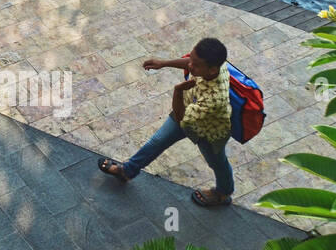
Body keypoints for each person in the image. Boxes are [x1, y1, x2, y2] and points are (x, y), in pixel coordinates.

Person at [97, 37, 234, 207]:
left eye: (196, 64)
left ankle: (223, 193)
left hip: (209, 132)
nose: (190, 65)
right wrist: (164, 63)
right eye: (191, 58)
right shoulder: (218, 66)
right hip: (189, 110)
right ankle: (127, 171)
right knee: (157, 141)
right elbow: (190, 64)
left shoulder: (214, 99)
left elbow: (180, 119)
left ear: (212, 70)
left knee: (217, 163)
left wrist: (178, 91)